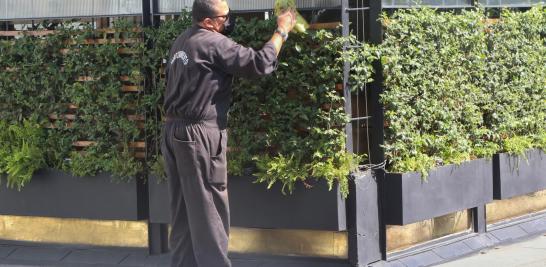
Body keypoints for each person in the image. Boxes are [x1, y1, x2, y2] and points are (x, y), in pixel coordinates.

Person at [161, 0, 297, 266]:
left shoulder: (181, 41)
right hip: (199, 136)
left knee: (184, 215)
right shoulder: (214, 43)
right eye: (225, 17)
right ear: (209, 21)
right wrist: (281, 31)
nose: (229, 20)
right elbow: (259, 63)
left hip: (173, 132)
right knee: (210, 210)